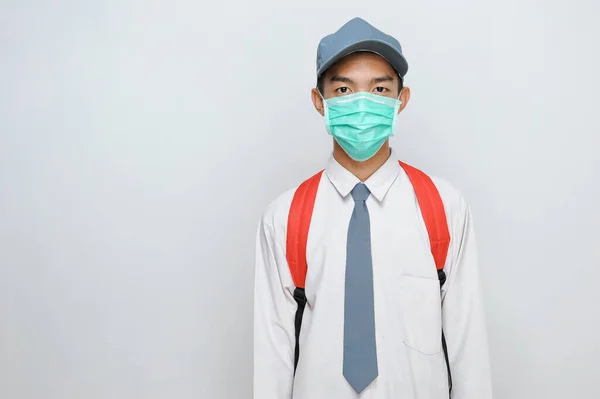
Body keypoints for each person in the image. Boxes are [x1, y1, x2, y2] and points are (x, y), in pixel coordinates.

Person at [254, 17, 492, 399]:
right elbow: (273, 357)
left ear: (402, 100)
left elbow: (468, 347)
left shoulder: (443, 207)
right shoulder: (285, 217)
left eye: (380, 88)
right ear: (320, 102)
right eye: (344, 88)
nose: (362, 103)